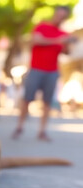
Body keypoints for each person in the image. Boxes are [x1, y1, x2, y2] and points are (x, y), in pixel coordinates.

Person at [12, 6, 76, 141]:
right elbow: (36, 40)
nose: (60, 18)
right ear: (55, 14)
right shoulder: (42, 27)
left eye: (63, 16)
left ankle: (42, 131)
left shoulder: (63, 34)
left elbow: (66, 53)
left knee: (47, 102)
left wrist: (68, 44)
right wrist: (59, 41)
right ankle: (19, 126)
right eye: (59, 15)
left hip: (52, 71)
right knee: (27, 99)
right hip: (36, 69)